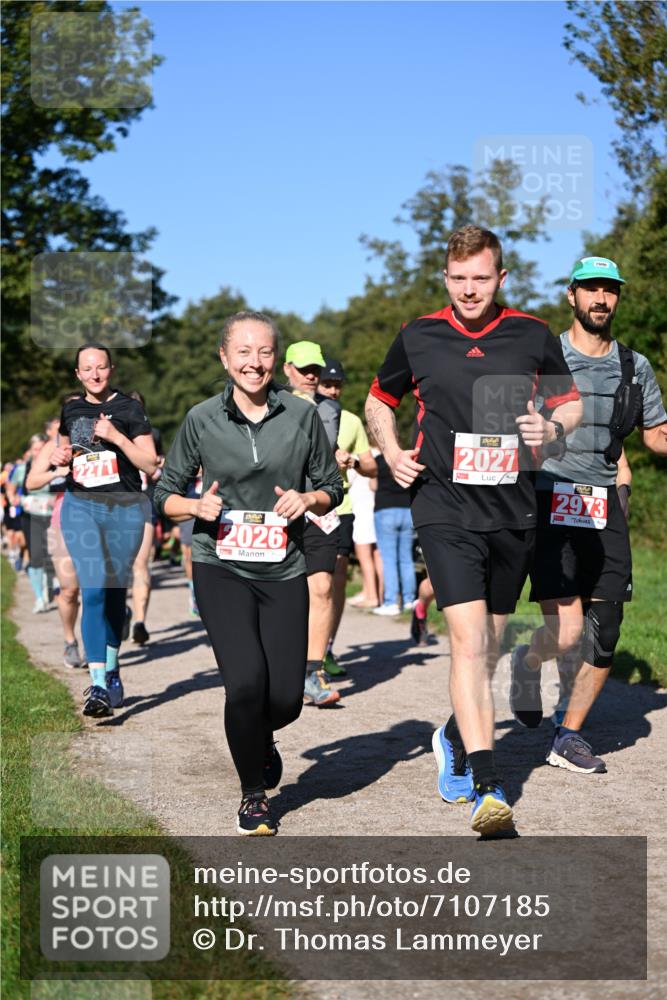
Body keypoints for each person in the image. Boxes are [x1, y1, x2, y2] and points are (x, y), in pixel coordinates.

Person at [365, 224, 582, 836]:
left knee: (485, 645)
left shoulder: (532, 334)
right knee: (467, 641)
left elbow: (570, 403)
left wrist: (554, 431)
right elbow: (380, 399)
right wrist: (390, 450)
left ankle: (452, 737)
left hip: (512, 511)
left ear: (501, 278)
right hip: (442, 504)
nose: (468, 289)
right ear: (445, 278)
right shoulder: (419, 335)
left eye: (480, 278)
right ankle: (489, 786)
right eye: (458, 279)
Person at [154, 312, 343, 836]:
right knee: (244, 685)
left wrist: (308, 497)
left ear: (275, 359)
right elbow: (163, 494)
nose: (253, 363)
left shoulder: (301, 416)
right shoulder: (201, 419)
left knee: (283, 697)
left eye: (263, 352)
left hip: (283, 568)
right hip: (221, 567)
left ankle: (261, 737)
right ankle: (253, 796)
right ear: (224, 357)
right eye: (243, 352)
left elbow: (333, 485)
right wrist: (195, 509)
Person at [510, 257, 667, 773]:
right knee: (569, 631)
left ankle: (567, 735)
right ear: (571, 295)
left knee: (608, 628)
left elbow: (653, 434)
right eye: (591, 289)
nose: (601, 299)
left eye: (610, 291)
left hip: (604, 501)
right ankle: (528, 661)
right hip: (549, 496)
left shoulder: (633, 365)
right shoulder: (543, 355)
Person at [52, 345, 157, 717]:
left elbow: (149, 461)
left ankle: (111, 665)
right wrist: (60, 457)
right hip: (81, 507)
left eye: (101, 367)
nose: (95, 374)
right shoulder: (71, 409)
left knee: (114, 591)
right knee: (93, 588)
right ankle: (97, 684)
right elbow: (66, 452)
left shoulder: (130, 409)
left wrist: (117, 436)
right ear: (78, 374)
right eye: (87, 369)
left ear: (111, 369)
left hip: (125, 509)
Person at [282, 342, 342, 706]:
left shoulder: (330, 410)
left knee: (321, 588)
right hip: (278, 509)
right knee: (283, 593)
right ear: (287, 368)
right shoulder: (270, 405)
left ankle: (312, 673)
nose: (310, 375)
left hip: (318, 509)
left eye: (315, 369)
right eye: (303, 368)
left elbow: (320, 456)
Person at [317, 357, 377, 674]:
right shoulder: (300, 415)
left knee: (336, 581)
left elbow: (372, 467)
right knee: (313, 583)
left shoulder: (351, 421)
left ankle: (326, 647)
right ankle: (303, 647)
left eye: (337, 385)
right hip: (307, 508)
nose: (333, 390)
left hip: (341, 509)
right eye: (327, 384)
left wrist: (352, 460)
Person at [125, 390, 166, 646]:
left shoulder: (154, 434)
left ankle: (139, 621)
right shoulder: (107, 433)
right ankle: (123, 613)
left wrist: (158, 468)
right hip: (116, 503)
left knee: (140, 565)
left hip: (143, 502)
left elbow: (157, 466)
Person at [372, 447, 416, 616]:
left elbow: (373, 484)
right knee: (406, 559)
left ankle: (391, 602)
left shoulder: (379, 460)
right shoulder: (409, 458)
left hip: (385, 510)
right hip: (407, 510)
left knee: (389, 560)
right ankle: (409, 601)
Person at [21, 434, 57, 612]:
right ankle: (39, 598)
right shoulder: (24, 468)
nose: (39, 452)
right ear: (31, 450)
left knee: (51, 556)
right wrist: (15, 499)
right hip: (31, 516)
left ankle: (48, 589)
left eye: (42, 448)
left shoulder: (57, 465)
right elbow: (13, 489)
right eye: (36, 449)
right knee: (36, 556)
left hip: (53, 516)